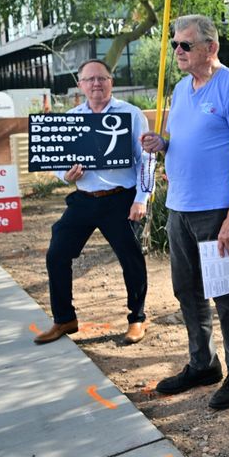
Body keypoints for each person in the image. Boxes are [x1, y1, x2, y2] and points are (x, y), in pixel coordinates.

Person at [140, 15, 229, 410]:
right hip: (180, 209)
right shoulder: (180, 88)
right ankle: (203, 363)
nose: (178, 51)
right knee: (186, 291)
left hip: (216, 211)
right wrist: (163, 143)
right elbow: (184, 141)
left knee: (226, 293)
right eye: (176, 44)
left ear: (211, 47)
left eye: (186, 45)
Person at [35, 59, 152, 346]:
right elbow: (56, 160)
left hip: (121, 200)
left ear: (111, 82)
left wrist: (141, 198)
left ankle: (137, 319)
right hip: (84, 200)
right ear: (80, 85)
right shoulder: (71, 118)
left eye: (102, 78)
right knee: (57, 254)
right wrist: (66, 174)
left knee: (131, 260)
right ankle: (64, 319)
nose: (96, 84)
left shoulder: (131, 114)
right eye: (90, 79)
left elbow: (147, 158)